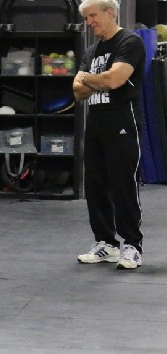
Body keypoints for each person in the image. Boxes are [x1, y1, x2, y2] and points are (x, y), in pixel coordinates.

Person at [72, 0, 145, 269]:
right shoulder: (91, 50)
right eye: (86, 18)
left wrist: (87, 77)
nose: (89, 22)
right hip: (96, 123)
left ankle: (132, 246)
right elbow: (77, 91)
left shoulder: (129, 42)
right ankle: (106, 243)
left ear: (110, 12)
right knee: (95, 185)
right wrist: (97, 79)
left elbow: (115, 80)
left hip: (122, 121)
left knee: (123, 183)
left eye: (93, 16)